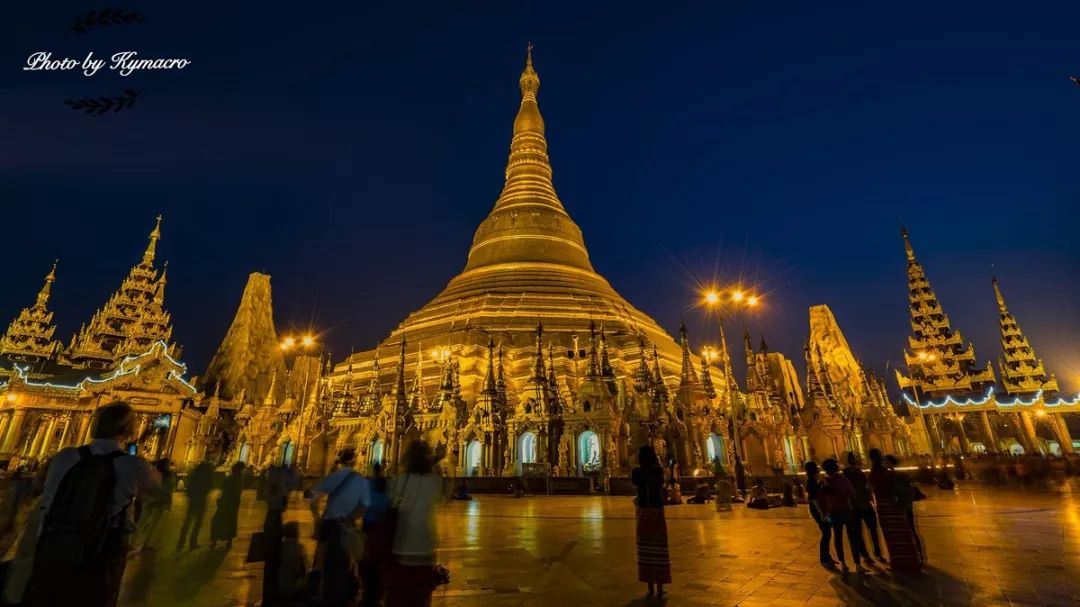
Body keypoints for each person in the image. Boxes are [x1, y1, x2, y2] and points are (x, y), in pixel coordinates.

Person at [25, 401, 160, 607]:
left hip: (55, 543)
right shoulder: (133, 464)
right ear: (128, 430)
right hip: (104, 547)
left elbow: (42, 493)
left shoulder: (64, 457)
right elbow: (158, 492)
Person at [386, 440, 448, 607]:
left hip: (401, 545)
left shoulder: (399, 481)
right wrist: (437, 461)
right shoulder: (433, 482)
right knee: (421, 596)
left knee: (400, 593)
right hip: (425, 546)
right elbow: (444, 491)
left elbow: (390, 499)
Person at [308, 448, 370, 606]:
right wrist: (349, 519)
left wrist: (316, 517)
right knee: (347, 567)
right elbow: (364, 506)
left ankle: (323, 595)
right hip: (346, 525)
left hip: (329, 524)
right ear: (355, 461)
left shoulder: (335, 476)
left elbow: (311, 496)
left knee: (323, 564)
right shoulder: (359, 479)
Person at [631, 445, 671, 598]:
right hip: (657, 511)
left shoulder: (636, 472)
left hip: (643, 511)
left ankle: (650, 588)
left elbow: (636, 485)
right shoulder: (658, 471)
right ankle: (660, 588)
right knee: (659, 548)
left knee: (645, 548)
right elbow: (663, 489)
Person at [821, 458, 867, 574]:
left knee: (838, 537)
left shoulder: (823, 482)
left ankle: (843, 564)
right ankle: (858, 564)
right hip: (846, 510)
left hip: (833, 512)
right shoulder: (842, 480)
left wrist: (826, 512)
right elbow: (851, 493)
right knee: (853, 537)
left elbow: (823, 499)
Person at [262, 463, 297, 606]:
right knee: (274, 560)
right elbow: (283, 504)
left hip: (271, 519)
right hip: (275, 520)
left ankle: (269, 595)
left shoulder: (269, 488)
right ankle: (272, 594)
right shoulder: (279, 490)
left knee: (270, 562)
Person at [842, 452, 883, 562]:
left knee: (864, 530)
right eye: (855, 458)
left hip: (860, 504)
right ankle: (872, 552)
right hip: (859, 504)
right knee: (868, 530)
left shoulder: (852, 472)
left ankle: (870, 553)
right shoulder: (851, 473)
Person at [361, 464, 392, 607]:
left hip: (368, 523)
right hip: (381, 525)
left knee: (366, 556)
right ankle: (377, 591)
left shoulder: (368, 484)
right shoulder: (384, 486)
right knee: (378, 558)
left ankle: (367, 590)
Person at [886, 454, 925, 564]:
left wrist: (900, 503)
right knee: (909, 531)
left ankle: (916, 554)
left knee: (909, 531)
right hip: (903, 507)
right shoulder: (898, 474)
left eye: (886, 462)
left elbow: (905, 492)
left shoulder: (897, 476)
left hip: (903, 507)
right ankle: (916, 554)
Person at [133, 458, 174, 551]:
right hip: (159, 501)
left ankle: (132, 541)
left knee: (141, 521)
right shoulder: (167, 475)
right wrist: (168, 502)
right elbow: (168, 490)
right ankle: (145, 543)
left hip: (149, 500)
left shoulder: (152, 472)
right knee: (153, 524)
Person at [177, 459, 214, 551]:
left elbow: (189, 490)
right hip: (201, 501)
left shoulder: (194, 477)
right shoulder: (206, 478)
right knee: (197, 523)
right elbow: (209, 487)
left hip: (192, 500)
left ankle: (181, 543)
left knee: (188, 521)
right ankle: (192, 542)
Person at [804, 461, 835, 567]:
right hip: (819, 510)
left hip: (823, 510)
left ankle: (827, 556)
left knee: (828, 530)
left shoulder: (815, 481)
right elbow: (814, 500)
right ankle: (824, 557)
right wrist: (821, 514)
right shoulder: (811, 483)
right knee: (826, 531)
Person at [210, 461, 245, 549]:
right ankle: (229, 541)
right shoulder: (239, 479)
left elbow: (223, 488)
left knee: (218, 520)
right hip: (233, 503)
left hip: (226, 502)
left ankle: (214, 541)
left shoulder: (230, 479)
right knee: (230, 521)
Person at [278, 521, 309, 602]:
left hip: (280, 588)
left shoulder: (280, 547)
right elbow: (303, 569)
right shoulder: (299, 548)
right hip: (294, 589)